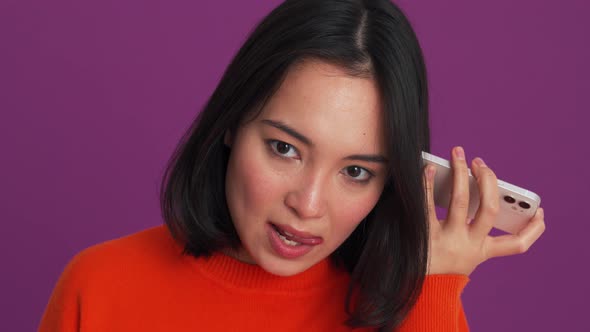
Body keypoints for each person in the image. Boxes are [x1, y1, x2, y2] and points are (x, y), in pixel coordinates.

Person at [39, 0, 546, 331]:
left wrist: (436, 284)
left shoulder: (413, 309)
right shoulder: (100, 286)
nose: (307, 205)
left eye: (356, 172)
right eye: (285, 148)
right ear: (233, 123)